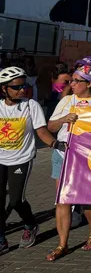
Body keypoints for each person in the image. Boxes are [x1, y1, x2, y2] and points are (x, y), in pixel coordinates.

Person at [46, 64, 91, 261]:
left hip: (88, 156)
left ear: (90, 83)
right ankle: (62, 244)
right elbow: (50, 125)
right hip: (62, 153)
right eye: (72, 80)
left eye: (77, 81)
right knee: (62, 200)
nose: (72, 84)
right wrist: (63, 119)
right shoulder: (67, 100)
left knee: (86, 199)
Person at [0, 67, 58, 254]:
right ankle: (1, 239)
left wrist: (56, 145)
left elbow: (41, 131)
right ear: (4, 89)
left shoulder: (31, 105)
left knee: (17, 200)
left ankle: (30, 224)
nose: (22, 90)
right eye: (16, 87)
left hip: (21, 158)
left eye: (24, 85)